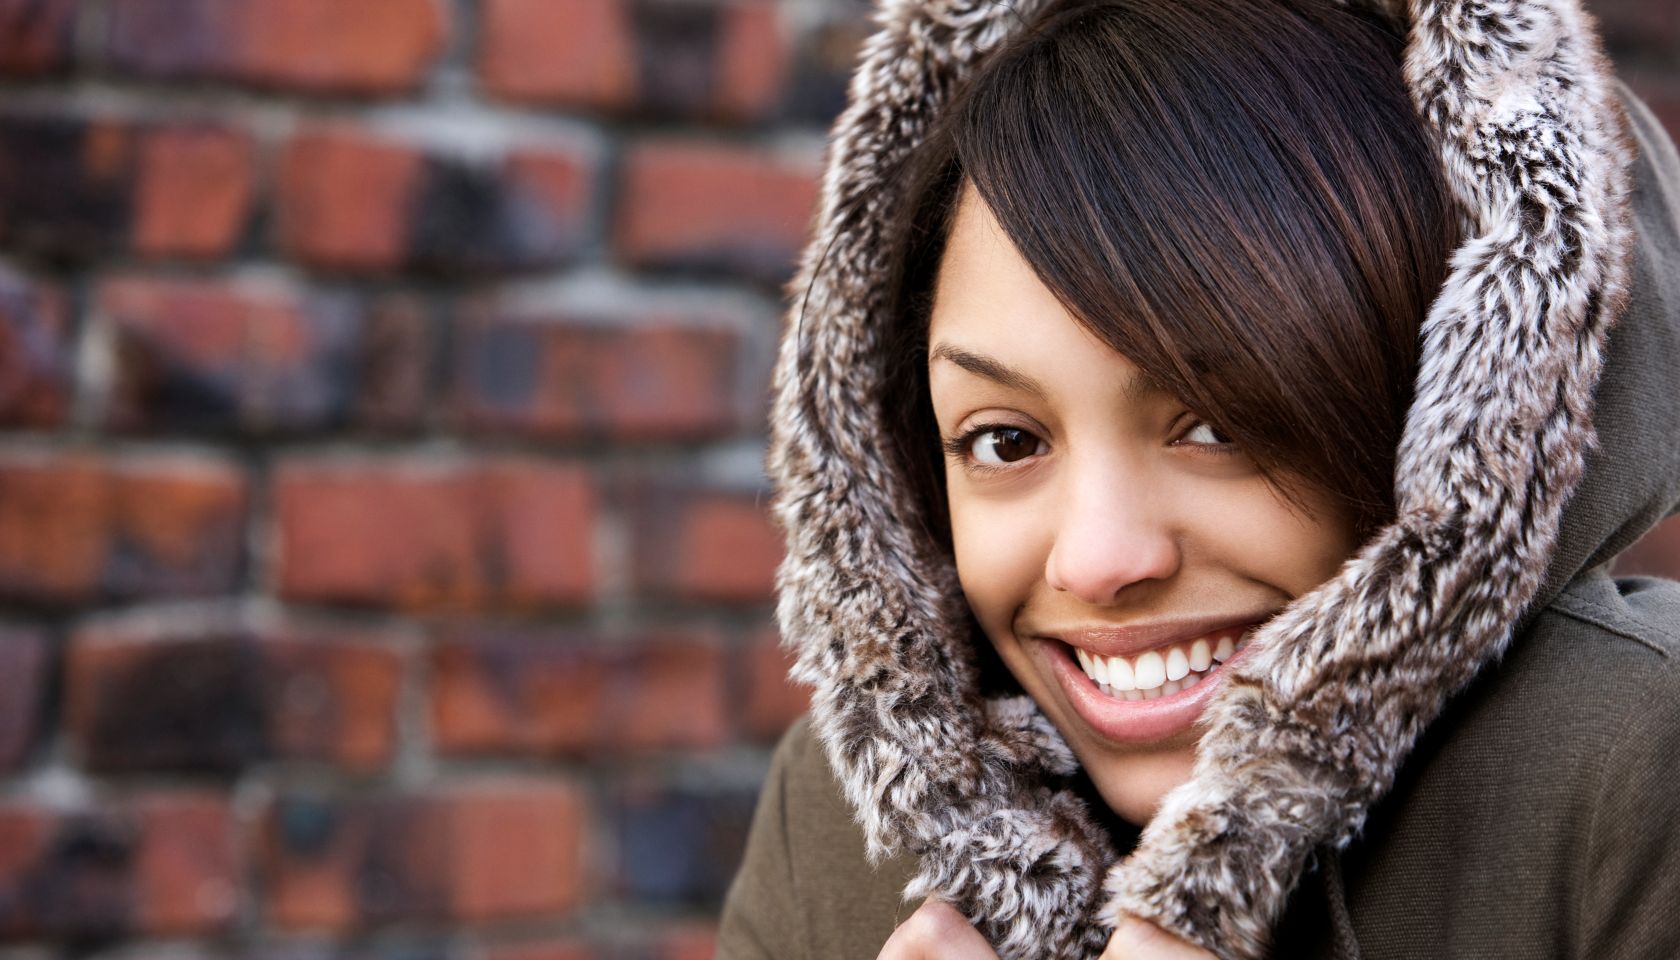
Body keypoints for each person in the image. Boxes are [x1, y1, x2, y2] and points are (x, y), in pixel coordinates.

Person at [719, 0, 1680, 956]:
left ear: (1460, 412)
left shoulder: (1636, 773)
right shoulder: (839, 835)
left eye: (1217, 427)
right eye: (1006, 442)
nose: (1098, 562)